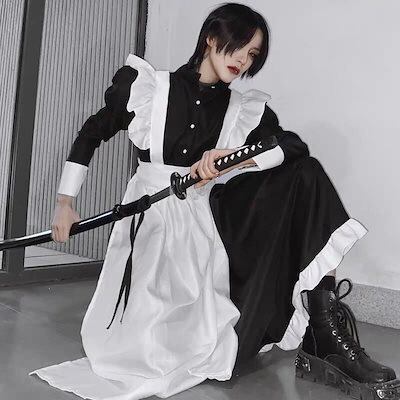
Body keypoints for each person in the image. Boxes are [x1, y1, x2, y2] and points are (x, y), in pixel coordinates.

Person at [29, 3, 400, 400]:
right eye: (239, 46)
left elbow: (293, 145)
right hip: (152, 215)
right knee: (151, 344)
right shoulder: (152, 88)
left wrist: (233, 158)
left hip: (207, 219)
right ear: (210, 37)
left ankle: (323, 324)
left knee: (304, 172)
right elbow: (92, 132)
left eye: (253, 54)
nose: (244, 60)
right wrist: (65, 202)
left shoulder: (240, 109)